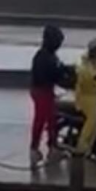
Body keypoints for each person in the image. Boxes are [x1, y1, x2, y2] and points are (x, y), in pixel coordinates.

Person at [29, 25, 72, 167]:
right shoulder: (43, 57)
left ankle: (52, 147)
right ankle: (35, 149)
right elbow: (51, 74)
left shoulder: (48, 55)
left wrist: (68, 69)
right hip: (42, 92)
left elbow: (59, 67)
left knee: (52, 120)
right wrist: (63, 76)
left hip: (45, 91)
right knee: (41, 121)